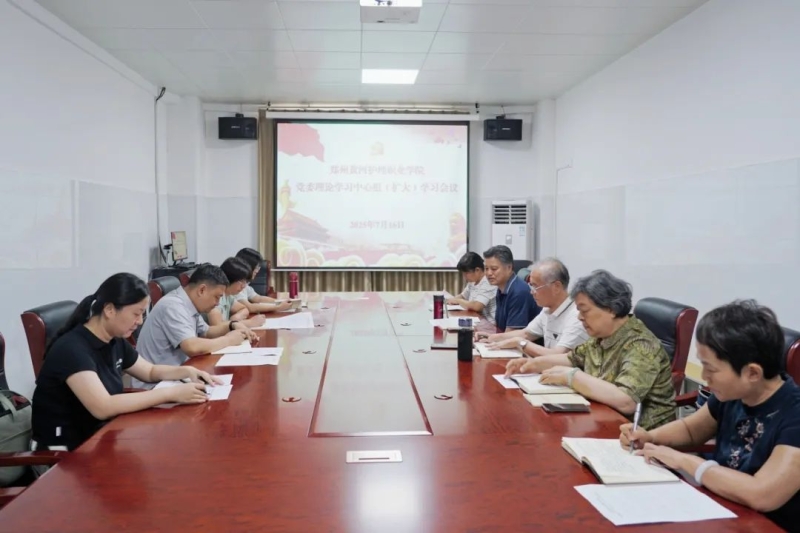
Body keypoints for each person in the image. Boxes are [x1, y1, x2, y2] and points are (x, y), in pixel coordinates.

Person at [620, 301, 800, 531]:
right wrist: (650, 437)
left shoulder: (794, 413)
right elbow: (691, 430)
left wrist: (685, 461)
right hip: (719, 507)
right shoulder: (733, 393)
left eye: (711, 369)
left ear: (753, 373)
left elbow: (762, 494)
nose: (704, 376)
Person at [31, 273, 221, 451]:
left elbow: (149, 371)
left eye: (142, 314)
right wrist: (170, 394)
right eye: (136, 314)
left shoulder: (114, 340)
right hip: (66, 450)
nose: (139, 322)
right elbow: (103, 407)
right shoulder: (72, 349)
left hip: (103, 435)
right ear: (109, 310)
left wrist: (186, 372)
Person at [505, 269, 675, 429]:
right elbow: (571, 358)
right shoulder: (601, 336)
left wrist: (572, 377)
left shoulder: (641, 345)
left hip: (641, 437)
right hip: (601, 421)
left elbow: (626, 401)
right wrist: (533, 364)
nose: (579, 317)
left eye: (584, 311)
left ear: (611, 309)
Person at [134, 264, 257, 388]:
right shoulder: (173, 306)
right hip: (156, 384)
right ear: (202, 290)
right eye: (217, 297)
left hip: (180, 374)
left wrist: (232, 326)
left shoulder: (189, 303)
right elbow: (191, 347)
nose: (217, 303)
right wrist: (228, 340)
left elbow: (207, 332)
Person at [481, 258, 588, 357]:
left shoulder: (577, 316)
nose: (531, 292)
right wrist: (493, 337)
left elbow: (558, 355)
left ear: (556, 287)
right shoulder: (547, 309)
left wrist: (520, 343)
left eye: (535, 286)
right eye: (531, 286)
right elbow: (526, 333)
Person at [483, 245, 540, 332]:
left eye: (494, 269)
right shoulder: (501, 289)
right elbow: (501, 327)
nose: (489, 273)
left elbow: (512, 333)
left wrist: (491, 338)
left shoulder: (519, 292)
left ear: (509, 268)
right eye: (486, 269)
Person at [207, 257, 266, 329]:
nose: (244, 286)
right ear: (230, 278)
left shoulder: (228, 295)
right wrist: (250, 322)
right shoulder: (216, 297)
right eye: (241, 281)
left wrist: (236, 317)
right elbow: (217, 326)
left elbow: (244, 309)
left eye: (245, 282)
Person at [234, 248, 292, 314]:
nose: (257, 270)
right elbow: (249, 308)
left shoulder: (245, 284)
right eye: (256, 267)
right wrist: (278, 307)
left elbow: (258, 298)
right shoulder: (236, 285)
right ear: (247, 266)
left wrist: (280, 302)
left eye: (259, 267)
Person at [446, 252, 497, 324]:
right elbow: (462, 296)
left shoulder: (488, 282)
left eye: (466, 273)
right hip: (476, 320)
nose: (464, 277)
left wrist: (458, 301)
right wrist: (452, 300)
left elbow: (476, 306)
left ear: (477, 270)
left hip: (488, 324)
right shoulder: (472, 282)